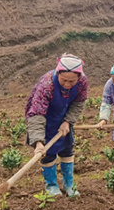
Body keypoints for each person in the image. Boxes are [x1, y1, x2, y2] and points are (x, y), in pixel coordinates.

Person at [25, 54, 88, 197]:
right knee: (47, 154)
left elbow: (79, 103)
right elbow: (36, 114)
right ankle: (52, 186)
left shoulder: (82, 81)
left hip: (63, 118)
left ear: (78, 77)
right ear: (58, 73)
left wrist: (68, 121)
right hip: (44, 121)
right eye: (64, 80)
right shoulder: (46, 85)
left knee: (67, 149)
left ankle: (69, 185)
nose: (67, 84)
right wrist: (39, 143)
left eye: (72, 81)